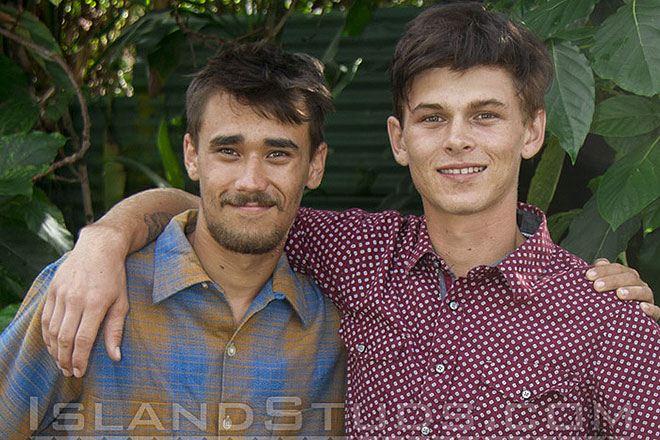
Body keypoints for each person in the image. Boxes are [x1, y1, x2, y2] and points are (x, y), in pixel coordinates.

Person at [42, 2, 660, 438]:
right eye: (432, 117)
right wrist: (104, 238)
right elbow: (228, 206)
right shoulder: (359, 255)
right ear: (399, 139)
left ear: (532, 131)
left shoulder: (609, 319)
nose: (457, 140)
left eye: (486, 115)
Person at [0, 43, 347, 438]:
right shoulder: (87, 291)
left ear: (315, 164)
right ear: (192, 156)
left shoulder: (335, 328)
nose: (251, 181)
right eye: (228, 151)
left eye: (278, 154)